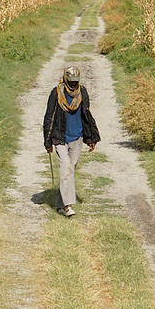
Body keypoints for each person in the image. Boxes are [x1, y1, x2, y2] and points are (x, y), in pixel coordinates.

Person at [43, 66, 100, 217]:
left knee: (69, 170)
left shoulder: (82, 92)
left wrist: (90, 138)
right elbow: (49, 117)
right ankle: (68, 207)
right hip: (60, 137)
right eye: (71, 81)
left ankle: (60, 204)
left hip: (77, 137)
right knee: (66, 168)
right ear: (66, 78)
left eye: (76, 81)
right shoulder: (56, 93)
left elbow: (86, 115)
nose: (73, 84)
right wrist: (47, 141)